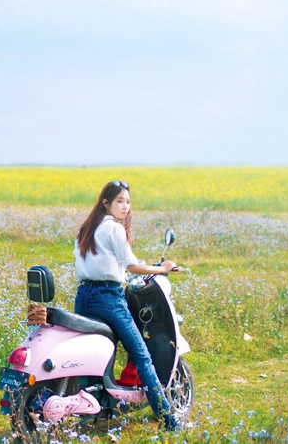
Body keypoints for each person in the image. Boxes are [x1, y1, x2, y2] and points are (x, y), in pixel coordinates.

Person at [73, 180, 182, 431]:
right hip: (108, 297)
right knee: (142, 355)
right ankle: (168, 419)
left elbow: (115, 261)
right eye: (120, 201)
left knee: (95, 354)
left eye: (128, 202)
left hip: (84, 296)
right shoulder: (114, 228)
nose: (125, 207)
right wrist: (162, 269)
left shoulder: (86, 228)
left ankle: (96, 409)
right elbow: (130, 266)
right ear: (106, 203)